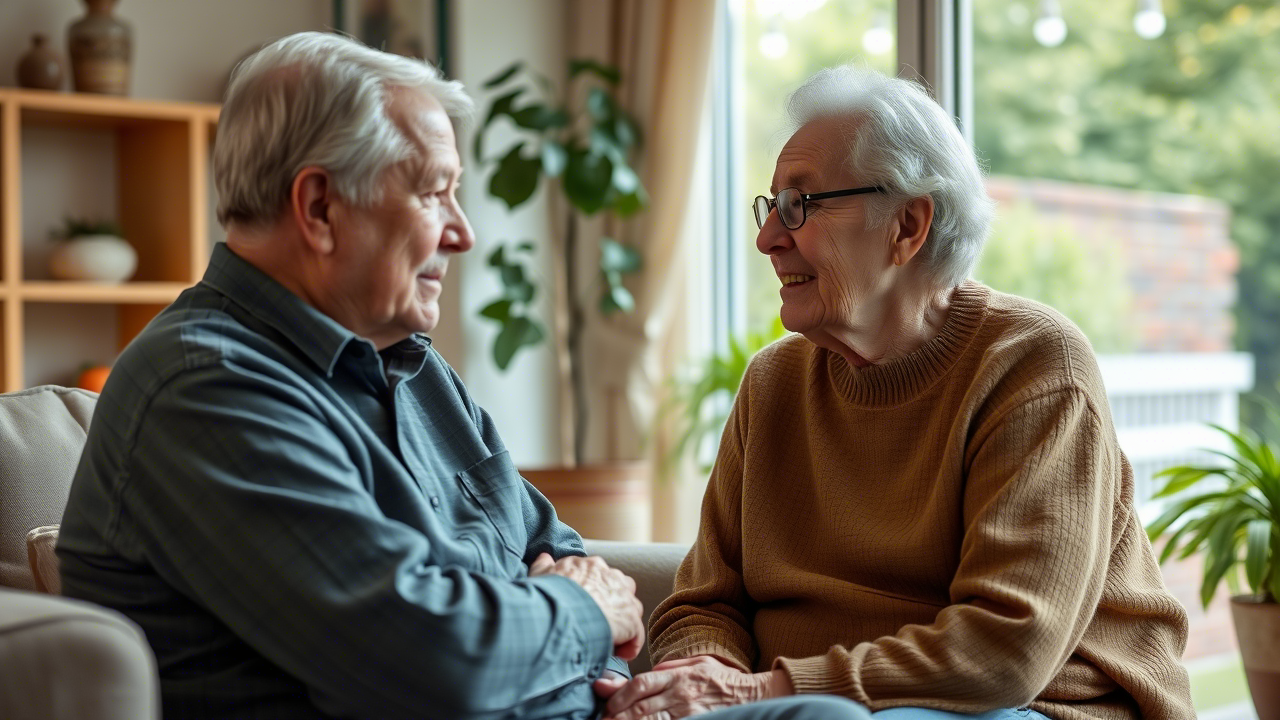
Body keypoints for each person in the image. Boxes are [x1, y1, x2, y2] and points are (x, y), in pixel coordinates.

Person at [55, 32, 649, 720]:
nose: (464, 234)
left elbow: (558, 548)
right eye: (435, 194)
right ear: (320, 209)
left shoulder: (419, 370)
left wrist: (597, 669)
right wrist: (580, 612)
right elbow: (438, 663)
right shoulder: (204, 391)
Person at [602, 66, 1196, 720]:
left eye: (799, 205)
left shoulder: (1030, 362)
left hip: (1039, 707)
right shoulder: (774, 381)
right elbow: (704, 601)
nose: (768, 238)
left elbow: (1007, 650)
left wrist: (766, 692)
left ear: (908, 226)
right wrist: (704, 678)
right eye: (770, 206)